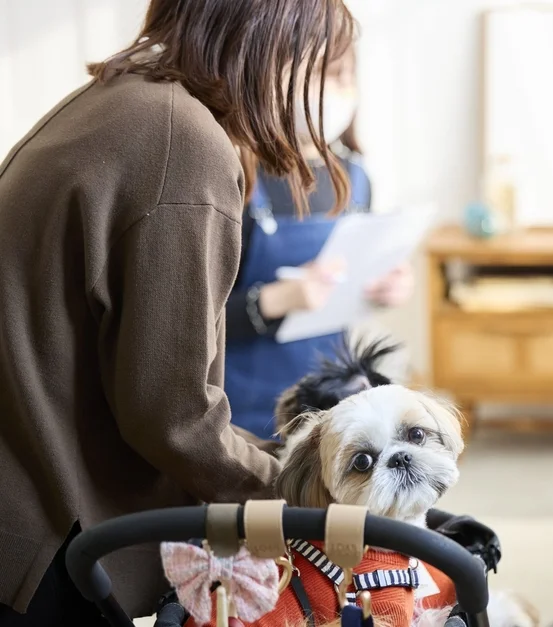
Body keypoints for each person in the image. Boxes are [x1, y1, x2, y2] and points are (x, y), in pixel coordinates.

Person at [0, 0, 354, 624]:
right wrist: (303, 499)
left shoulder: (122, 98)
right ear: (264, 41)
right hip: (44, 534)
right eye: (316, 64)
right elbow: (174, 413)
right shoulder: (180, 141)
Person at [224, 47, 414, 439]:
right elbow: (188, 322)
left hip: (331, 399)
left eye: (343, 77)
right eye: (316, 74)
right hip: (240, 410)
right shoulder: (234, 177)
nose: (331, 91)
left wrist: (385, 285)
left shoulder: (356, 178)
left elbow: (353, 286)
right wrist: (277, 300)